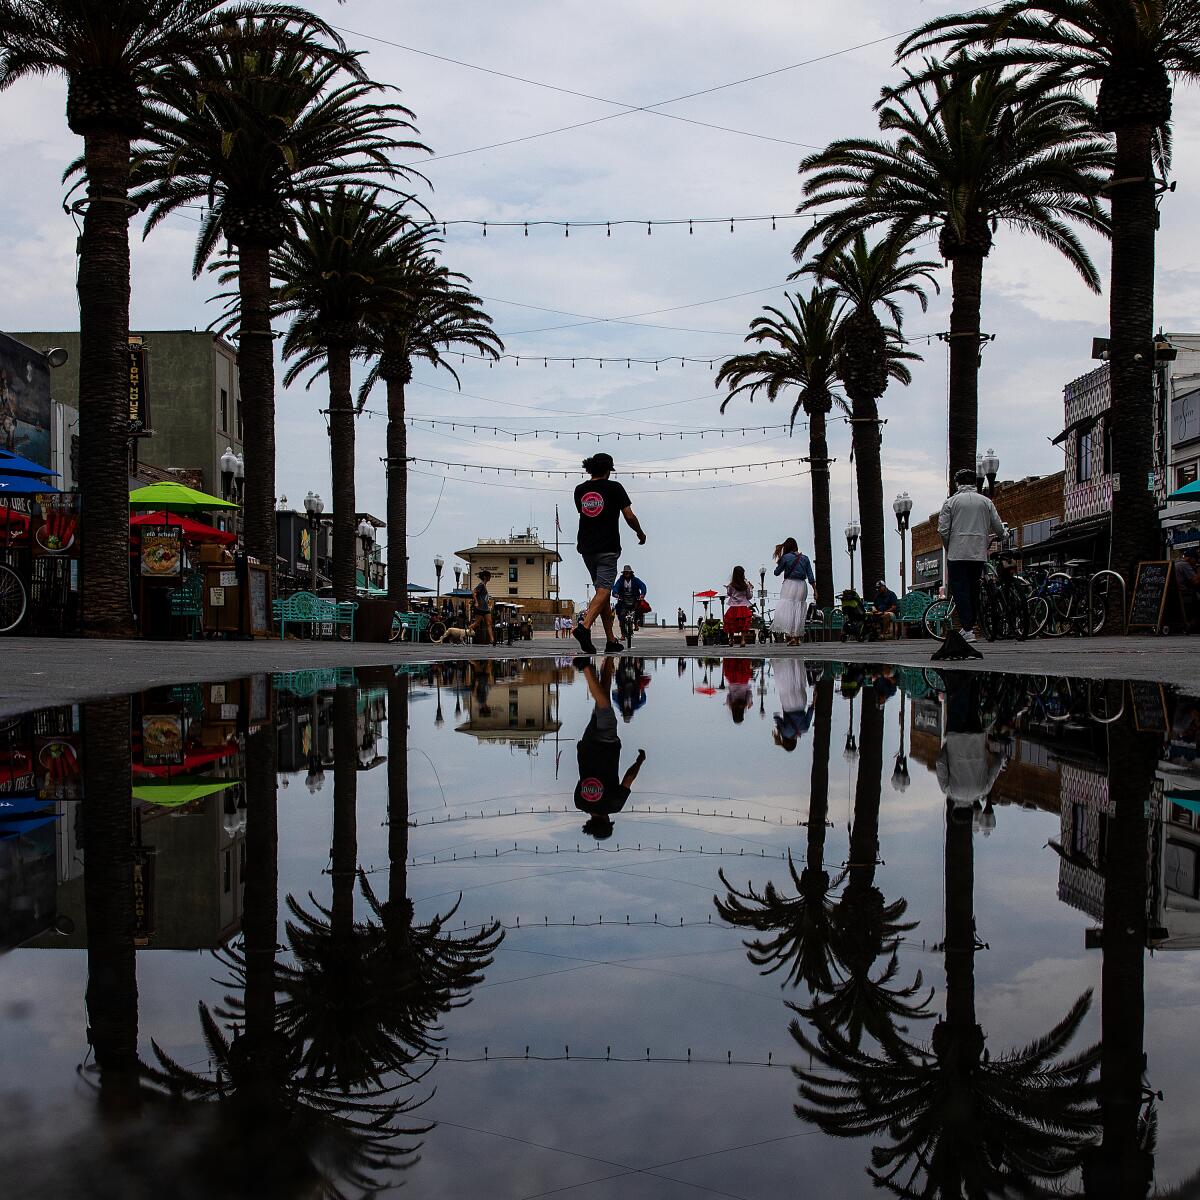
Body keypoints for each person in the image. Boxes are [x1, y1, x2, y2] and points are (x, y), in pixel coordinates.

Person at [572, 452, 647, 655]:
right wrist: (640, 532)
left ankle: (611, 640)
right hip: (607, 547)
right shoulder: (614, 488)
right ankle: (584, 627)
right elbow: (629, 516)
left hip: (587, 549)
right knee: (604, 590)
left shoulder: (580, 490)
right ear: (608, 470)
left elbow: (586, 513)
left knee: (601, 593)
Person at [574, 656, 646, 838]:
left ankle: (586, 668)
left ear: (608, 822)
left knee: (605, 707)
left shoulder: (614, 805)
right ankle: (609, 660)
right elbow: (582, 779)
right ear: (590, 823)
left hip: (607, 745)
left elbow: (628, 778)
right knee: (601, 701)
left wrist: (640, 761)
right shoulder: (579, 802)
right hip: (587, 746)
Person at [938, 468, 1004, 643]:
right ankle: (973, 624)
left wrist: (948, 546)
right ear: (974, 483)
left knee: (960, 591)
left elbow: (943, 530)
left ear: (957, 484)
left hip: (957, 554)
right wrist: (1003, 535)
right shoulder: (985, 502)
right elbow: (997, 524)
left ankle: (968, 629)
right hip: (978, 554)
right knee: (974, 589)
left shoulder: (951, 502)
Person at [772, 537, 816, 645]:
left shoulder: (786, 557)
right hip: (802, 585)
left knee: (789, 609)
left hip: (789, 584)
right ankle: (796, 637)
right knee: (799, 609)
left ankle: (791, 636)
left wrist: (779, 562)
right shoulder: (805, 558)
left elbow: (777, 572)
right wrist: (815, 590)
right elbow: (810, 576)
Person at [723, 566, 755, 647]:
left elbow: (729, 594)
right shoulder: (746, 585)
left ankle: (731, 640)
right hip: (743, 607)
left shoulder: (731, 585)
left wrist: (727, 588)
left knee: (731, 623)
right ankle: (743, 640)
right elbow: (749, 597)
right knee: (743, 624)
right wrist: (751, 588)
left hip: (733, 607)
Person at [612, 564, 648, 634]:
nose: (627, 574)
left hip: (635, 599)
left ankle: (636, 622)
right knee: (621, 616)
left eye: (628, 572)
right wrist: (615, 593)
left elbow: (643, 586)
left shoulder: (635, 580)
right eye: (625, 572)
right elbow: (615, 587)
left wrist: (642, 594)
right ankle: (623, 634)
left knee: (638, 610)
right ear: (623, 573)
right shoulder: (620, 580)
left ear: (631, 573)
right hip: (623, 600)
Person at [1175, 548, 1200, 632]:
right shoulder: (1184, 565)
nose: (1196, 562)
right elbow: (1196, 581)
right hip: (1184, 594)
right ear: (1190, 558)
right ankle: (1192, 625)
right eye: (1195, 560)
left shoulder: (1176, 562)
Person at [467, 570, 494, 645]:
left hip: (485, 608)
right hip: (479, 607)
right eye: (489, 576)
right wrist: (476, 602)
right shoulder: (481, 585)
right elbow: (474, 592)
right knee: (477, 623)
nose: (490, 578)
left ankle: (492, 640)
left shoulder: (484, 585)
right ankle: (466, 631)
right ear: (485, 577)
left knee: (489, 623)